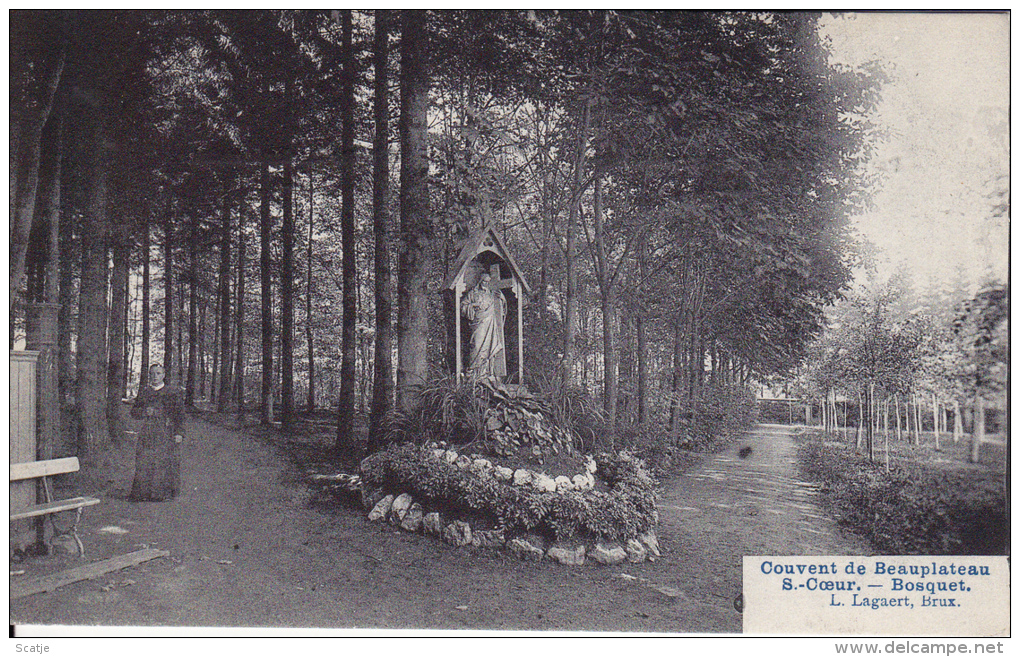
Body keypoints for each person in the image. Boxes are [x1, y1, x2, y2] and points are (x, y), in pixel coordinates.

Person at [129, 364, 185, 502]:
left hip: (166, 431)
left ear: (164, 375)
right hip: (148, 431)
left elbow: (180, 415)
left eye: (158, 373)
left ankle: (162, 494)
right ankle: (143, 494)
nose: (155, 376)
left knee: (163, 461)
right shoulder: (144, 392)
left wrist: (179, 433)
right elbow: (134, 412)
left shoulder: (172, 392)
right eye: (152, 373)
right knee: (145, 461)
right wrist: (143, 412)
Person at [462, 272, 507, 380]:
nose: (485, 284)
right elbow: (463, 306)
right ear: (479, 281)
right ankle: (473, 373)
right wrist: (473, 305)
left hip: (490, 324)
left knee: (489, 348)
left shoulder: (491, 294)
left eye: (487, 282)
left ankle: (486, 373)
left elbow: (502, 309)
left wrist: (503, 298)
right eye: (484, 281)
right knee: (477, 346)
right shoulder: (473, 293)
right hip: (478, 323)